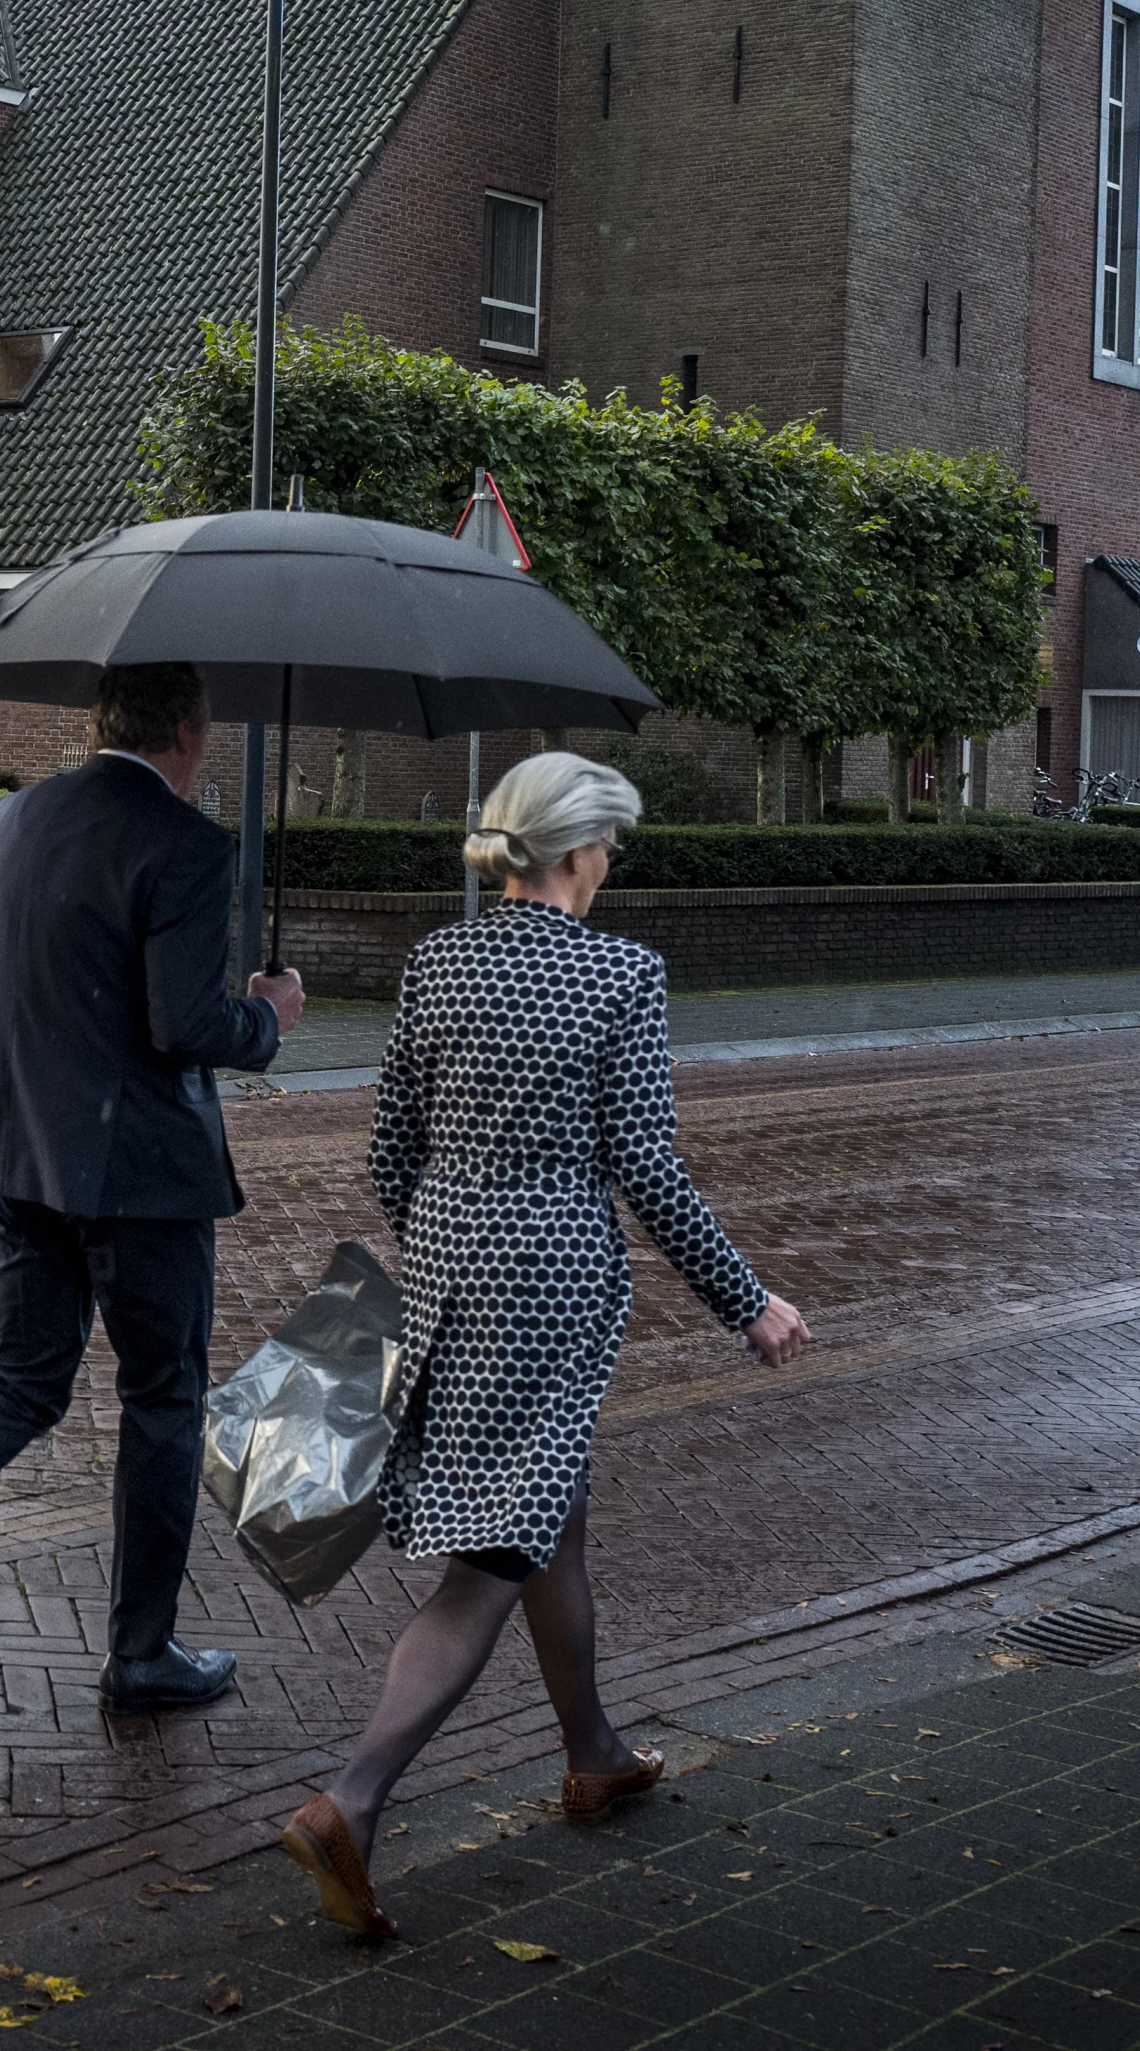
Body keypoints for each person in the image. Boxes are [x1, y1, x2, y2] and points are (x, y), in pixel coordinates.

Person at [279, 748, 810, 1941]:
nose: (612, 858)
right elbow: (646, 1167)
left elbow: (390, 1149)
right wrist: (748, 1301)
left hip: (446, 1269)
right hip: (552, 1286)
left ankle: (594, 1753)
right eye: (608, 839)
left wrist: (448, 1238)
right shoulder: (621, 973)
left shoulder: (438, 958)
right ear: (574, 850)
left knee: (545, 1516)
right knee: (494, 1554)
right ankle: (351, 1799)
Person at [0, 661, 306, 1719]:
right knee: (162, 1399)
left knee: (25, 1377)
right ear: (189, 730)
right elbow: (184, 1025)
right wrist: (268, 1016)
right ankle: (142, 1652)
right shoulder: (188, 844)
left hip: (18, 1149)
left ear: (99, 720)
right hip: (141, 1179)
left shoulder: (12, 820)